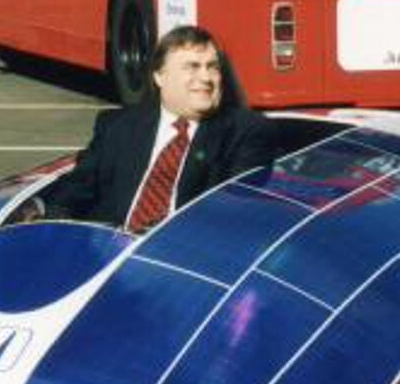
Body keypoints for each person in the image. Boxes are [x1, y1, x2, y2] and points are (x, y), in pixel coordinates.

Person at [34, 25, 274, 231]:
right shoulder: (119, 125)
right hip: (106, 249)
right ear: (160, 76)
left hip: (175, 258)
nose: (206, 77)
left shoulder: (246, 132)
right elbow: (78, 187)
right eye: (192, 66)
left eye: (212, 67)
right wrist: (44, 212)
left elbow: (232, 211)